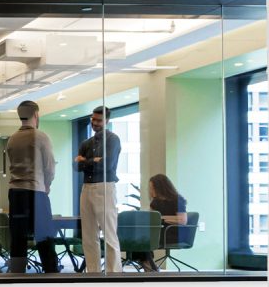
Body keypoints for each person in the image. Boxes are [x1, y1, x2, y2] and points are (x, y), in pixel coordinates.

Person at [5, 100, 59, 273]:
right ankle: (51, 275)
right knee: (44, 238)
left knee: (18, 238)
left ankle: (17, 275)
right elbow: (49, 167)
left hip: (15, 192)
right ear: (36, 114)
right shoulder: (41, 136)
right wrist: (47, 185)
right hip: (36, 192)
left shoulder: (12, 139)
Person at [76, 106, 122, 273]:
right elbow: (77, 167)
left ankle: (114, 273)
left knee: (109, 233)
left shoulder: (113, 139)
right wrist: (93, 160)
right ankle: (93, 272)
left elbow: (106, 165)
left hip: (105, 187)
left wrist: (86, 161)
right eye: (93, 119)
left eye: (98, 120)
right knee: (88, 235)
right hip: (86, 188)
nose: (94, 123)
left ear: (107, 121)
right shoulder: (86, 143)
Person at [130, 174, 187, 271]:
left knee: (143, 238)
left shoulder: (177, 200)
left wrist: (161, 218)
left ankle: (149, 265)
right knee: (137, 236)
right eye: (150, 188)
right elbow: (152, 219)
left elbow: (182, 220)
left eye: (153, 188)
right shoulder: (155, 202)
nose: (151, 191)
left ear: (161, 188)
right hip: (159, 231)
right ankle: (149, 264)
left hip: (174, 233)